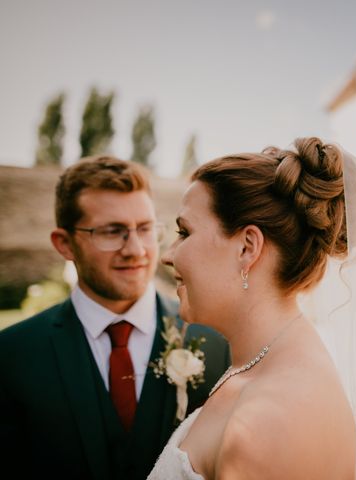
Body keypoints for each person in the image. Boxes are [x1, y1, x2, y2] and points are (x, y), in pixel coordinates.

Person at [149, 137, 356, 479]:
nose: (168, 255)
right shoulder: (264, 363)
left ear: (247, 248)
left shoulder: (268, 421)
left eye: (184, 232)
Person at [0, 156, 229, 480]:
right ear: (64, 244)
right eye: (112, 232)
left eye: (145, 229)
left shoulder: (216, 342)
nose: (136, 249)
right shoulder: (11, 356)